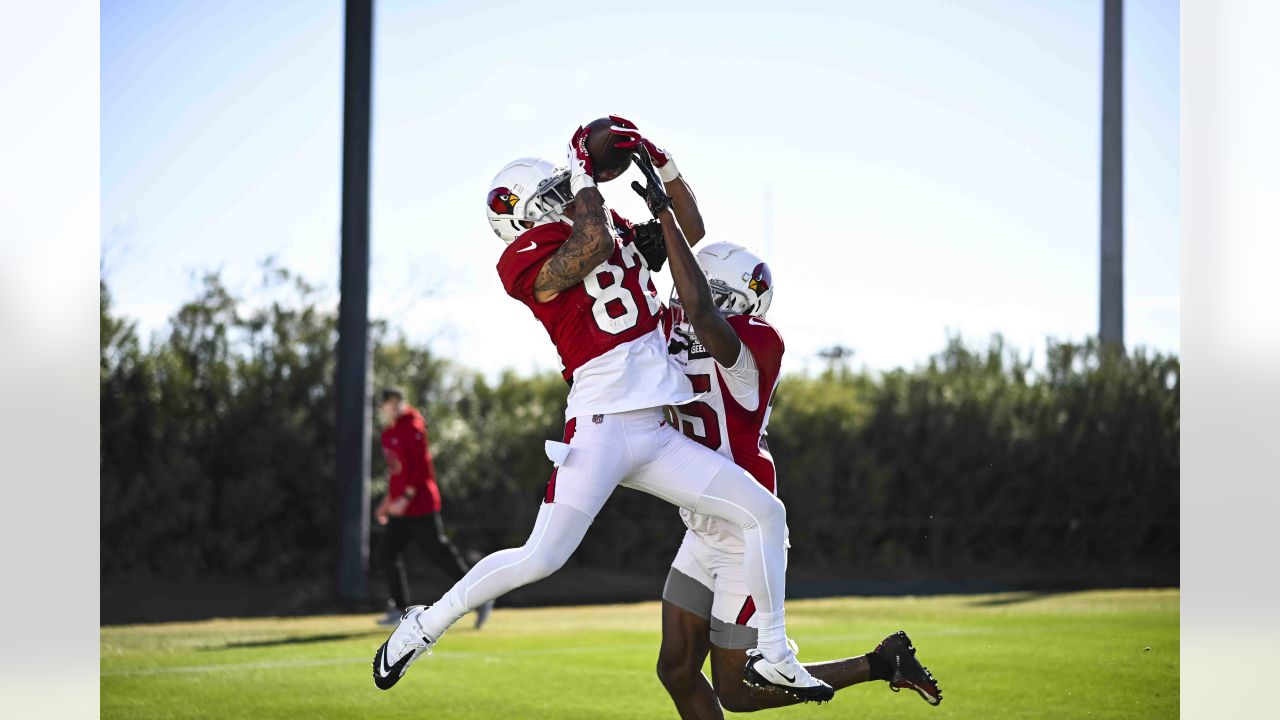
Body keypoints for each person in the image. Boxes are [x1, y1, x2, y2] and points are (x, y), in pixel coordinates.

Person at [373, 117, 831, 702]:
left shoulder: (603, 220)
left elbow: (687, 230)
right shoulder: (524, 257)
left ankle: (774, 652)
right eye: (550, 195)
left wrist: (659, 160)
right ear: (520, 217)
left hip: (655, 433)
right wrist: (584, 169)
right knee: (540, 557)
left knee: (765, 513)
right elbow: (589, 247)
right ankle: (424, 624)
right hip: (602, 427)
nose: (564, 194)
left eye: (565, 186)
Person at [650, 233, 943, 715]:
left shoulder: (759, 340)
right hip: (701, 524)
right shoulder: (676, 333)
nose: (685, 297)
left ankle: (881, 661)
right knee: (676, 669)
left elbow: (703, 317)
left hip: (745, 532)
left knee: (737, 691)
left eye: (702, 288)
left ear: (739, 302)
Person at [374, 387, 492, 630]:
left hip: (420, 504)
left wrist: (404, 498)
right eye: (389, 402)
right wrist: (387, 502)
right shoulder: (388, 433)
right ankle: (400, 609)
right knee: (388, 552)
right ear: (382, 406)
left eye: (398, 402)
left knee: (438, 553)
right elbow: (396, 472)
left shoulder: (413, 426)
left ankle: (481, 597)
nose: (394, 406)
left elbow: (421, 469)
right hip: (401, 509)